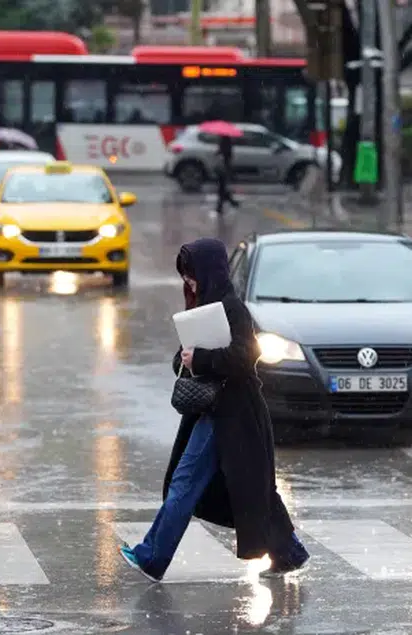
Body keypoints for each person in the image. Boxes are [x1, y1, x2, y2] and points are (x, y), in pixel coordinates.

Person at [119, 238, 308, 581]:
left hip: (233, 413)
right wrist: (186, 359)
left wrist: (201, 359)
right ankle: (289, 553)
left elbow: (246, 356)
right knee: (253, 489)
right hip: (214, 410)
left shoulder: (233, 309)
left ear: (208, 271)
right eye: (185, 275)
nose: (188, 281)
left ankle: (152, 557)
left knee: (188, 482)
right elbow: (183, 358)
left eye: (191, 273)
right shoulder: (204, 308)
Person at [215, 136, 240, 216]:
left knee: (221, 188)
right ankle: (230, 201)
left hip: (223, 168)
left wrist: (219, 152)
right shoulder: (226, 142)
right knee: (222, 188)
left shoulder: (225, 142)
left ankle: (220, 207)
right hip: (224, 168)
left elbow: (225, 154)